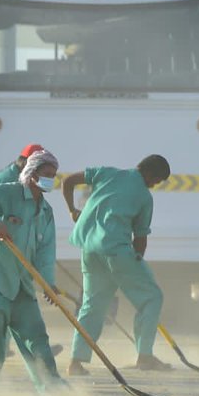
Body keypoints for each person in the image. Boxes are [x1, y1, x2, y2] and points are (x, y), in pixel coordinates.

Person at [0, 149, 67, 396]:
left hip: (21, 284)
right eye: (46, 174)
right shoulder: (8, 193)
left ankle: (52, 388)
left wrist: (48, 284)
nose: (50, 180)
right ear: (32, 174)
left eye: (53, 175)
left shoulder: (46, 211)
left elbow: (45, 251)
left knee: (37, 337)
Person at [62, 154, 172, 376]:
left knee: (92, 306)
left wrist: (72, 210)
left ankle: (75, 362)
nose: (154, 185)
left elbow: (68, 181)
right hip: (116, 251)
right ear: (150, 173)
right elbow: (140, 238)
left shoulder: (107, 173)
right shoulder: (144, 196)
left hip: (89, 249)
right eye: (157, 181)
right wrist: (137, 261)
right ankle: (145, 356)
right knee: (152, 297)